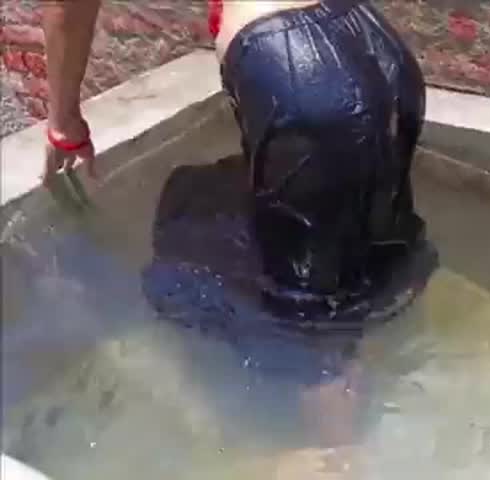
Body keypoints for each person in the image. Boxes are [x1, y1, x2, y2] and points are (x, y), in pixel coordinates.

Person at [42, 0, 433, 476]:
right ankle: (361, 384)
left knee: (304, 308)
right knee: (358, 249)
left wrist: (62, 122)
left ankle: (338, 457)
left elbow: (66, 7)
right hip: (372, 43)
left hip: (299, 70)